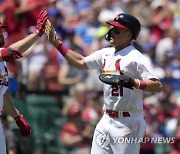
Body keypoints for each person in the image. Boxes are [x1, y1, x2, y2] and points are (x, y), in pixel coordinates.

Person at [45, 13, 162, 154]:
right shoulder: (105, 53)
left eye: (117, 30)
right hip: (106, 118)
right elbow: (81, 62)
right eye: (112, 28)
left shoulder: (135, 57)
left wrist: (133, 82)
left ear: (128, 34)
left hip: (128, 121)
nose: (111, 31)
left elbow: (156, 85)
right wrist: (57, 43)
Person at [0, 10, 48, 154]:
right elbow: (12, 52)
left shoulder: (1, 63)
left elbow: (2, 94)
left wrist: (17, 117)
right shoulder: (3, 56)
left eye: (1, 30)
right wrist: (37, 33)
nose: (1, 33)